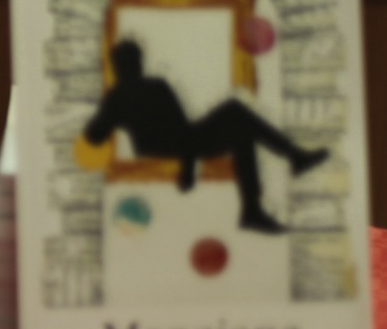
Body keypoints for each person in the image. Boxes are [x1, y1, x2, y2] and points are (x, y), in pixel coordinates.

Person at [82, 40, 328, 234]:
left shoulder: (116, 98)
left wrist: (110, 116)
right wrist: (188, 168)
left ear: (118, 66)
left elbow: (94, 136)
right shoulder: (155, 86)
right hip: (180, 145)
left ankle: (258, 204)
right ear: (138, 63)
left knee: (240, 128)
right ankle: (277, 177)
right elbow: (181, 127)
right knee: (236, 114)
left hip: (168, 145)